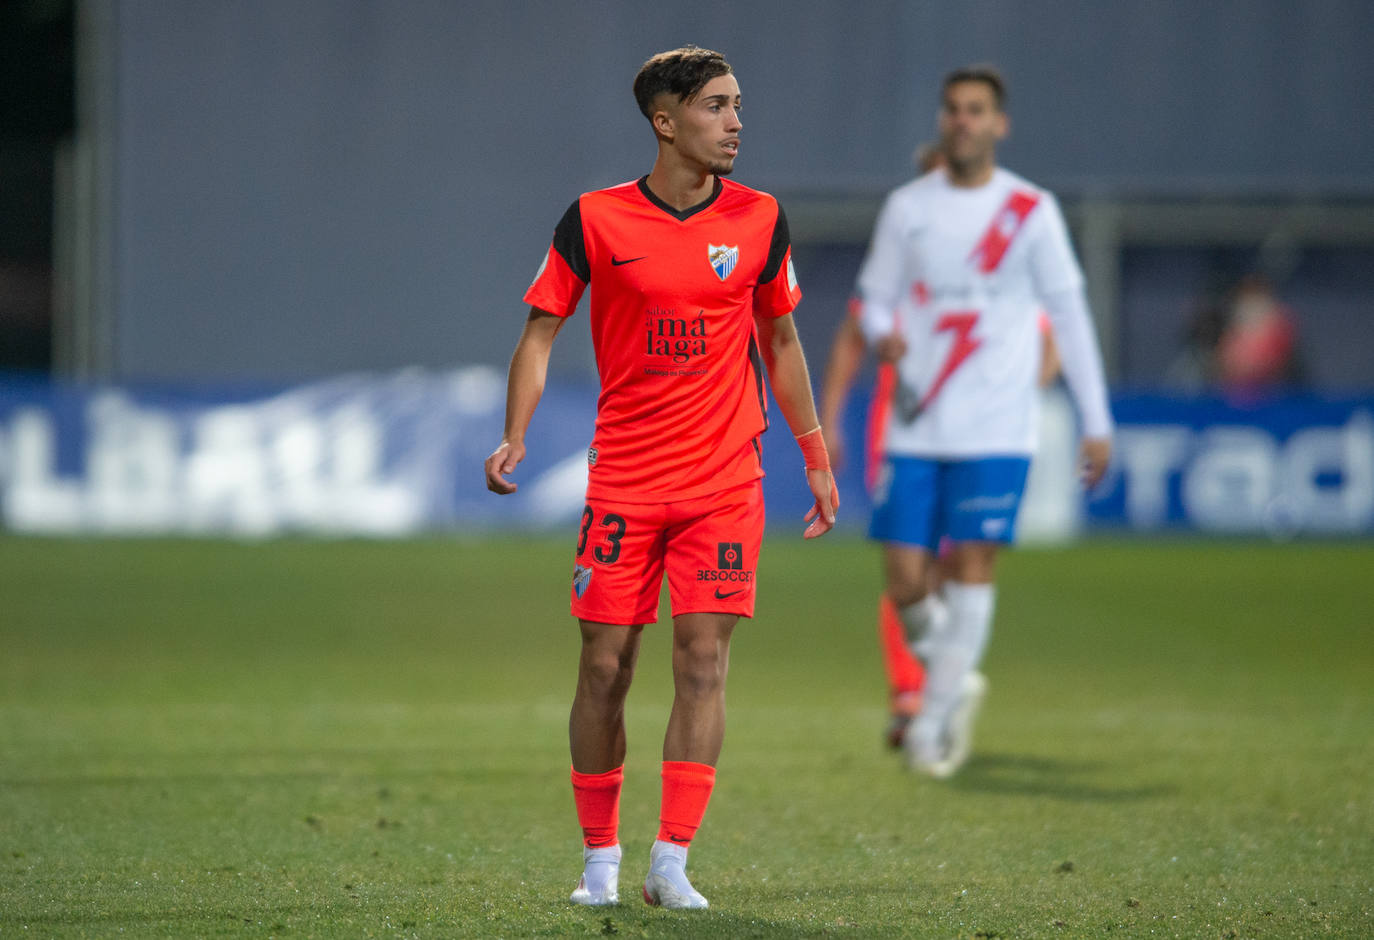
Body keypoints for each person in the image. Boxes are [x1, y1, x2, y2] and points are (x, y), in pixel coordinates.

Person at [484, 46, 838, 910]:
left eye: (739, 105)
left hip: (725, 477)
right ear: (665, 120)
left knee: (704, 659)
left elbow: (782, 340)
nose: (736, 122)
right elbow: (540, 333)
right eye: (717, 106)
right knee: (606, 666)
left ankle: (670, 860)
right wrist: (515, 435)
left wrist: (816, 455)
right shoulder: (595, 220)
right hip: (626, 483)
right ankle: (599, 861)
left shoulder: (761, 219)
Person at [850, 65, 1113, 777]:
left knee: (969, 566)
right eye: (953, 109)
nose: (963, 120)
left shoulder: (1030, 211)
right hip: (918, 421)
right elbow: (873, 298)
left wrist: (1097, 418)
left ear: (999, 124)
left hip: (997, 425)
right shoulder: (908, 208)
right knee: (905, 580)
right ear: (942, 121)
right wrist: (883, 334)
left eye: (977, 110)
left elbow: (1069, 316)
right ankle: (953, 673)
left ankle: (933, 728)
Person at [820, 143, 1064, 753]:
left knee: (959, 562)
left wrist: (1013, 393)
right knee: (907, 563)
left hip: (974, 431)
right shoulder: (901, 255)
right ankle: (916, 690)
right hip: (901, 429)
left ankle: (941, 684)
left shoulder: (992, 266)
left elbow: (1046, 337)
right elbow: (853, 337)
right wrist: (831, 420)